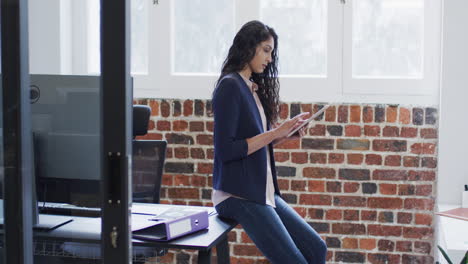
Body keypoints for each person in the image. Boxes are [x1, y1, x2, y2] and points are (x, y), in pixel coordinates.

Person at [211, 20, 327, 264]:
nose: (270, 58)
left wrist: (286, 134)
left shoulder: (250, 87)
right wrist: (275, 132)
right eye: (265, 50)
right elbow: (227, 150)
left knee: (316, 248)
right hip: (237, 194)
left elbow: (253, 145)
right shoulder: (230, 86)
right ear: (248, 47)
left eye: (272, 52)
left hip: (260, 190)